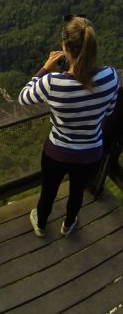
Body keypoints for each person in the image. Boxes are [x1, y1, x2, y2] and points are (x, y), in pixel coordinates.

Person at [19, 15, 119, 237]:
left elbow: (24, 97)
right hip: (91, 152)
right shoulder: (111, 76)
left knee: (48, 192)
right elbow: (110, 110)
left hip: (57, 153)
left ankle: (42, 225)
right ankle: (69, 223)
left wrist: (45, 68)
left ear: (64, 47)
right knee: (77, 192)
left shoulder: (53, 82)